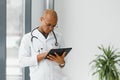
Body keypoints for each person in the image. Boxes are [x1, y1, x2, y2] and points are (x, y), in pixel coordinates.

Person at [18, 9, 67, 80]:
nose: (51, 28)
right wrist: (41, 56)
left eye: (54, 26)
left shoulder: (59, 37)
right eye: (48, 25)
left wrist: (62, 62)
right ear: (41, 19)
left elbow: (63, 62)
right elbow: (22, 62)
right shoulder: (27, 38)